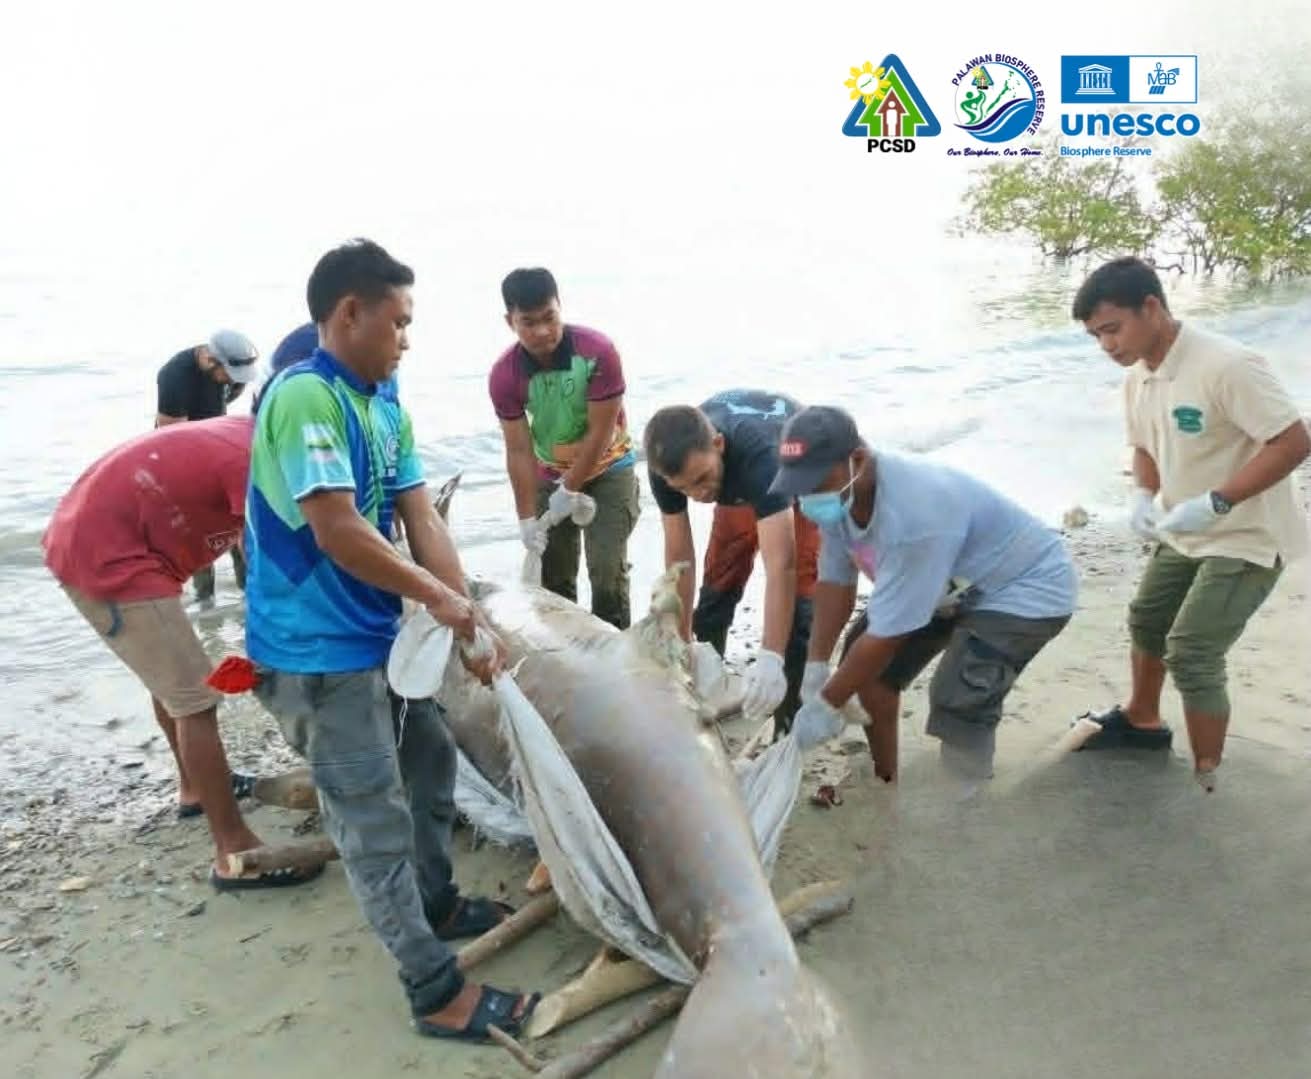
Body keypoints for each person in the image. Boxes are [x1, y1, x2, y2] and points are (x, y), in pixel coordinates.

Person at [244, 238, 538, 1041]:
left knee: (432, 755)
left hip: (376, 632)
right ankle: (434, 989)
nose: (407, 338)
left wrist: (465, 618)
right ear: (349, 313)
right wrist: (440, 599)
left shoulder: (382, 394)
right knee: (370, 821)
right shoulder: (306, 396)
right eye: (398, 322)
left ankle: (435, 902)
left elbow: (419, 512)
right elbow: (338, 529)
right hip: (314, 653)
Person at [1071, 257, 1309, 788]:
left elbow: (1293, 441)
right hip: (1184, 525)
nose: (1106, 345)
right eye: (1095, 336)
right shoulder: (1139, 376)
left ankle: (1207, 778)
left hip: (1247, 532)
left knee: (1193, 650)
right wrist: (1142, 494)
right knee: (1147, 620)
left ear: (1151, 307)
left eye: (1113, 329)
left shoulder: (1228, 364)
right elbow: (1144, 445)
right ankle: (1142, 719)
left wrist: (1220, 501)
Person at [42, 415, 303, 880]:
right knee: (195, 700)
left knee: (172, 680)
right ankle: (234, 854)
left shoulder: (259, 441)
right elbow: (278, 555)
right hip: (108, 557)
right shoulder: (252, 458)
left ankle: (196, 789)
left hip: (116, 543)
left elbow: (257, 554)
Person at [777, 406, 1077, 785]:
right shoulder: (841, 503)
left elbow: (889, 634)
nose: (808, 495)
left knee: (959, 695)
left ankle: (961, 804)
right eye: (798, 485)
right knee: (867, 669)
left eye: (816, 481)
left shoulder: (913, 516)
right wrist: (817, 666)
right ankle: (888, 777)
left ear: (857, 460)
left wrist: (825, 705)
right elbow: (835, 582)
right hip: (949, 584)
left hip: (1022, 587)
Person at [644, 390, 817, 734]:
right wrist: (681, 642)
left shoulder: (761, 459)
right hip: (737, 483)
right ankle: (707, 695)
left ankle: (788, 725)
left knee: (799, 613)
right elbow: (679, 560)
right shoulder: (666, 469)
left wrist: (770, 656)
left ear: (719, 444)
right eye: (684, 488)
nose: (698, 495)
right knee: (715, 597)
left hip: (803, 478)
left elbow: (781, 564)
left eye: (702, 479)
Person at [488, 267, 639, 629]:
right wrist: (526, 517)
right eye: (528, 322)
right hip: (549, 474)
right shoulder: (505, 376)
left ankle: (618, 661)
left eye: (549, 318)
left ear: (560, 307)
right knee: (554, 580)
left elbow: (601, 433)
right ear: (510, 321)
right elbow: (519, 450)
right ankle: (566, 660)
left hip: (609, 467)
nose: (542, 331)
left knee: (606, 571)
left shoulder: (598, 352)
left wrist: (571, 487)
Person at [156, 329, 259, 599]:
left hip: (215, 446)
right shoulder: (174, 376)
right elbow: (171, 441)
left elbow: (226, 401)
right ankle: (206, 606)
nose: (234, 383)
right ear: (209, 359)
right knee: (199, 537)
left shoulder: (233, 374)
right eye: (229, 376)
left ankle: (247, 601)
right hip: (180, 454)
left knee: (238, 529)